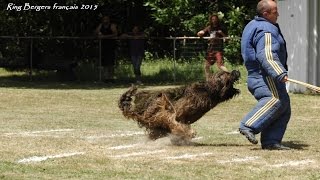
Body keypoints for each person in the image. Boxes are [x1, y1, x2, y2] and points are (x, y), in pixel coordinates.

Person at [239, 0, 291, 150]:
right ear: (265, 13)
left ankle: (271, 141)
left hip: (258, 75)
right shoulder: (265, 29)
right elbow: (267, 55)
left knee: (284, 106)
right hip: (265, 76)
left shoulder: (253, 25)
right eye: (275, 12)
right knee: (276, 101)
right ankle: (248, 125)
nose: (278, 14)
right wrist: (280, 72)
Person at [197, 14, 228, 80]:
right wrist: (200, 33)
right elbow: (201, 32)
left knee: (220, 65)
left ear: (217, 20)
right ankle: (209, 80)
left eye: (215, 19)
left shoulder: (221, 27)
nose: (214, 20)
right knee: (206, 66)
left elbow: (227, 39)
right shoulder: (209, 27)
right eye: (213, 19)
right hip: (210, 50)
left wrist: (222, 33)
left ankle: (230, 76)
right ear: (211, 20)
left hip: (218, 49)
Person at [95, 15, 118, 82]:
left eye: (106, 19)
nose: (105, 20)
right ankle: (106, 78)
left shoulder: (112, 26)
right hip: (103, 46)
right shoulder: (101, 25)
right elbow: (96, 32)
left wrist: (105, 37)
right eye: (104, 19)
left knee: (111, 63)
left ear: (109, 20)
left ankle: (111, 77)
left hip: (111, 46)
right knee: (104, 63)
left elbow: (115, 34)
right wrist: (98, 34)